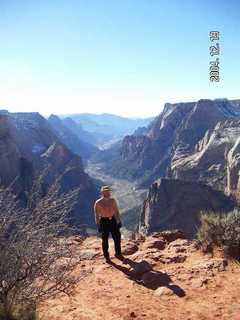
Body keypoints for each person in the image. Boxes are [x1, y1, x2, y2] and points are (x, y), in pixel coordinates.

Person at [94, 185, 124, 263]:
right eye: (106, 192)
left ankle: (118, 253)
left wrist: (119, 221)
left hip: (113, 220)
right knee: (105, 240)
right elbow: (96, 215)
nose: (108, 193)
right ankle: (107, 257)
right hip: (104, 221)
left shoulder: (113, 200)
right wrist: (98, 225)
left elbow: (116, 211)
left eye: (108, 191)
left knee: (117, 237)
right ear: (102, 193)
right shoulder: (98, 202)